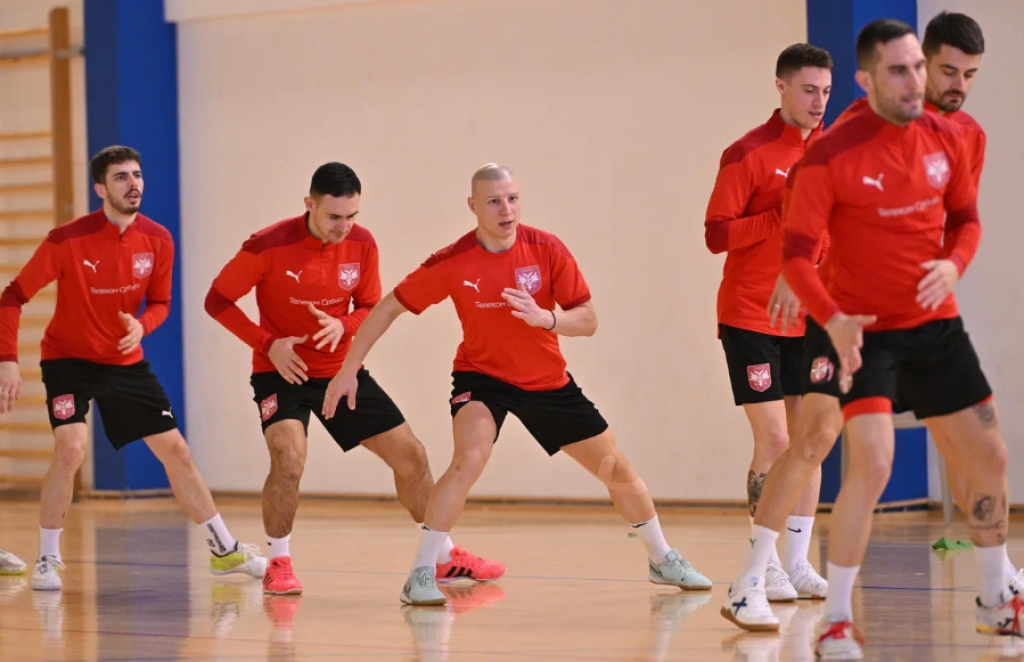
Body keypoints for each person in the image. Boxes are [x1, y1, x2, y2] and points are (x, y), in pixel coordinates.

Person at [721, 10, 1022, 639]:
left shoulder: (959, 135)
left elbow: (960, 221)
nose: (932, 82)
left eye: (949, 72)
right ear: (874, 79)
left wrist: (952, 263)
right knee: (812, 444)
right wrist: (805, 285)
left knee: (971, 448)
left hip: (926, 323)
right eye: (931, 70)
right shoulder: (831, 147)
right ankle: (753, 575)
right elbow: (798, 232)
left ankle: (997, 581)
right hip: (847, 322)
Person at [322, 164, 712, 606]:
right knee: (468, 458)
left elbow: (588, 320)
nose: (506, 209)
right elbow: (388, 307)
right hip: (482, 378)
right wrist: (350, 367)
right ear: (473, 206)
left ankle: (662, 558)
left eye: (512, 198)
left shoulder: (546, 249)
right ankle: (423, 573)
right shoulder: (453, 261)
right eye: (493, 201)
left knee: (615, 469)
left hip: (546, 382)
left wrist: (547, 318)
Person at [206, 162, 504, 595]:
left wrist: (342, 326)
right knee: (288, 457)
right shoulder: (266, 246)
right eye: (333, 217)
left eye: (352, 216)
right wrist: (268, 342)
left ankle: (442, 556)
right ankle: (278, 561)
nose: (344, 227)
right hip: (280, 372)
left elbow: (368, 308)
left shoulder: (362, 245)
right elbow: (217, 300)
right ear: (310, 205)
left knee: (412, 457)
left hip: (340, 374)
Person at [0, 146, 266, 590]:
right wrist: (7, 361)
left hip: (124, 361)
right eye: (121, 177)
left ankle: (224, 549)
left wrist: (141, 327)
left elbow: (161, 303)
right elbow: (12, 296)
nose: (134, 183)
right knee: (70, 448)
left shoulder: (158, 239)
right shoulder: (66, 240)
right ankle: (48, 559)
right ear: (101, 188)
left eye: (138, 175)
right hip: (68, 359)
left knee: (177, 451)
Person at [704, 43, 833, 602]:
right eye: (809, 90)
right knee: (776, 439)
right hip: (751, 314)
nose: (819, 101)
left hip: (810, 318)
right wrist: (779, 216)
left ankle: (800, 562)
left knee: (809, 440)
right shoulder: (748, 153)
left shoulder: (833, 153)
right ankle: (768, 558)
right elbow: (716, 235)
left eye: (826, 91)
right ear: (781, 87)